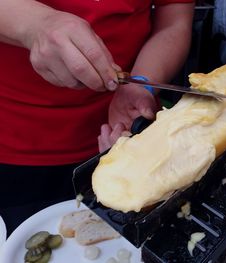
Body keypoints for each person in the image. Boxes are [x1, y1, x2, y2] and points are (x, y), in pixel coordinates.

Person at [0, 0, 194, 234]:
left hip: (123, 137)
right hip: (14, 146)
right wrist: (34, 24)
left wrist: (141, 84)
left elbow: (174, 22)